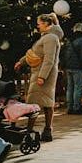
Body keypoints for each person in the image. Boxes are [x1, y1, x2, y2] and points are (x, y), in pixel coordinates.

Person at [20, 14, 63, 143]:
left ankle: (30, 131)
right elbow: (35, 53)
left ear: (46, 23)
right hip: (42, 74)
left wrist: (42, 77)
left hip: (43, 75)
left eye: (39, 23)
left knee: (37, 103)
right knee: (44, 102)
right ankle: (46, 130)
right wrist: (21, 62)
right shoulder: (47, 37)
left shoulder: (50, 38)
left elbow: (49, 59)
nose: (37, 25)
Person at [63, 23, 82, 114]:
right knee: (78, 87)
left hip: (68, 66)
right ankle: (77, 107)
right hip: (77, 67)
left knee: (70, 87)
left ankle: (69, 107)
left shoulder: (68, 40)